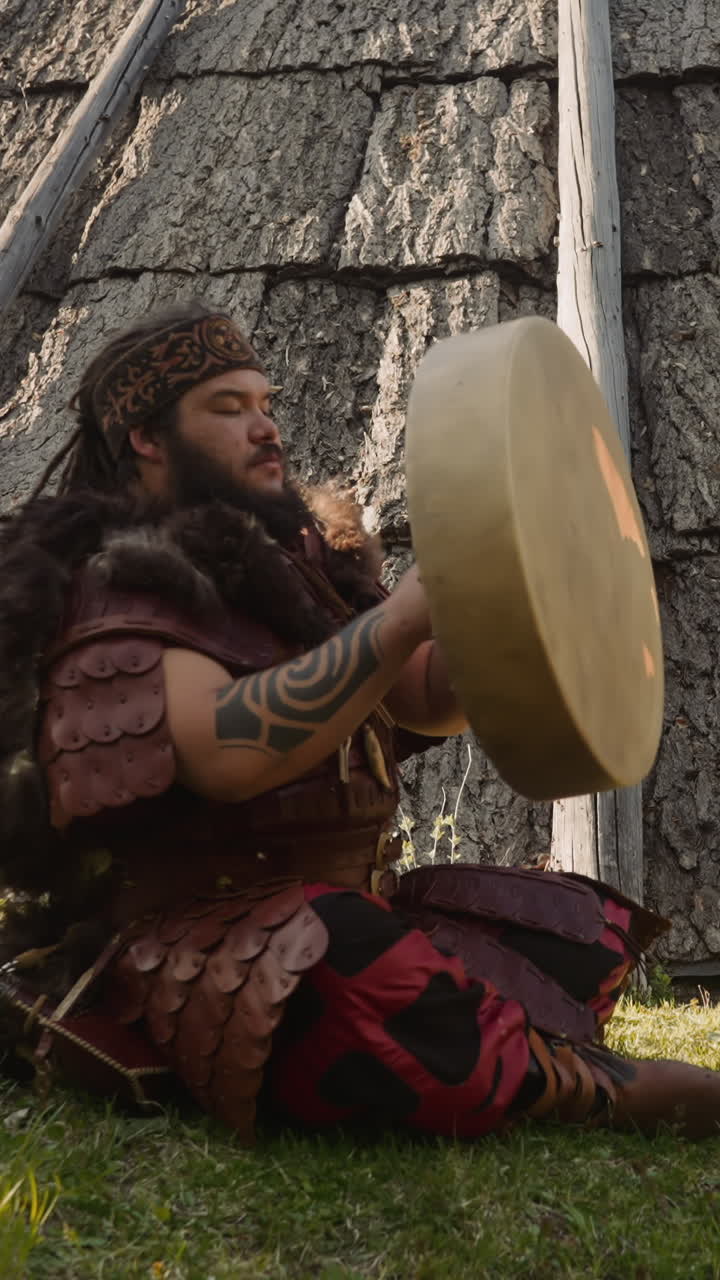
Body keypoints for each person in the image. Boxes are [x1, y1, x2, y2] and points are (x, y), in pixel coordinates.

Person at [0, 300, 718, 1143]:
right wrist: (398, 620)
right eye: (229, 410)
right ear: (147, 439)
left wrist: (525, 593)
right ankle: (587, 1087)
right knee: (360, 970)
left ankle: (484, 1040)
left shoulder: (294, 568)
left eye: (266, 404)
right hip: (200, 947)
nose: (266, 428)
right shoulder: (114, 579)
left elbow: (421, 698)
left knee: (574, 931)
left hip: (341, 908)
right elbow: (223, 753)